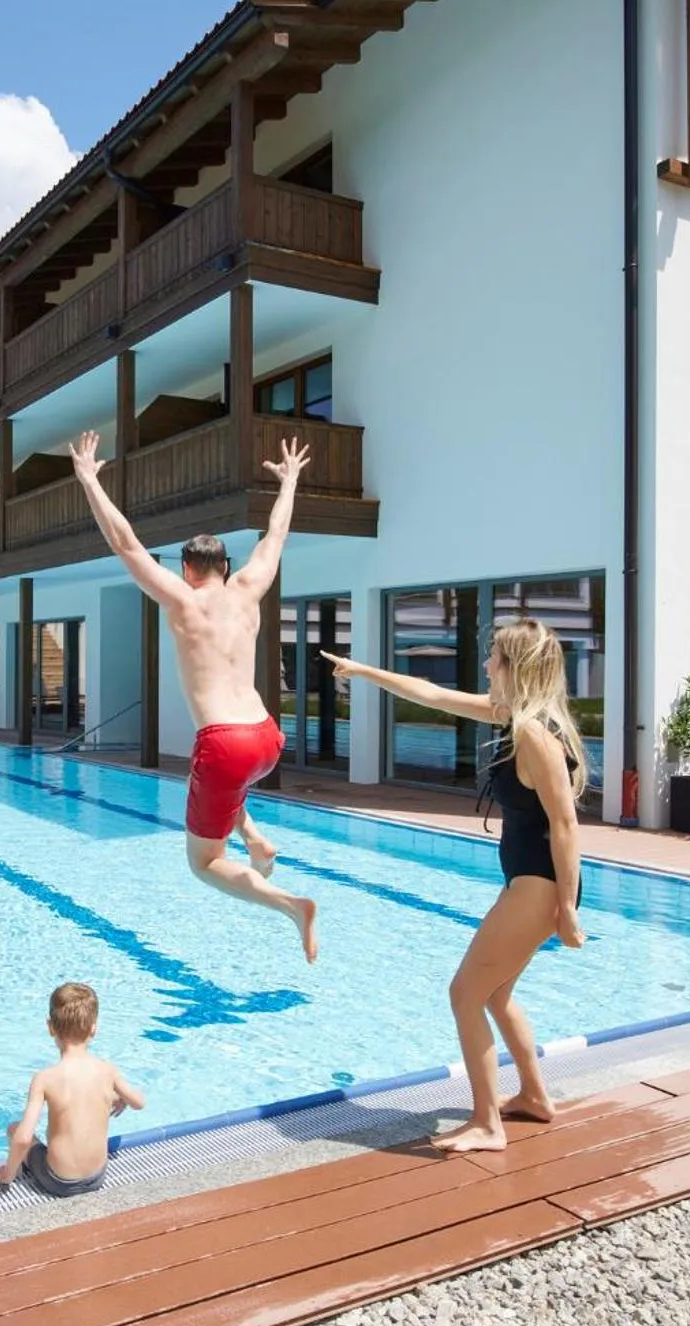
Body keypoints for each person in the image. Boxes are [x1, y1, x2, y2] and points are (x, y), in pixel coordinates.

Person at [322, 618, 590, 1153]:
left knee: (466, 993)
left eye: (493, 656)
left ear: (515, 667)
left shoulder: (534, 733)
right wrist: (363, 670)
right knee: (497, 994)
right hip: (528, 880)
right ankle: (534, 1096)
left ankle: (488, 1123)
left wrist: (566, 907)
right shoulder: (513, 717)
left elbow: (565, 824)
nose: (486, 664)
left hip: (539, 885)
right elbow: (434, 693)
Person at [70, 428, 320, 962]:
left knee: (203, 864)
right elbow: (275, 537)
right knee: (228, 785)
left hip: (225, 743)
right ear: (224, 567)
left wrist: (90, 479)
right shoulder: (249, 589)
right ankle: (255, 839)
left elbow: (124, 541)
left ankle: (290, 905)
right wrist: (291, 480)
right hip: (266, 736)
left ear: (186, 569)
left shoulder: (181, 600)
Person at [0, 983, 144, 1196]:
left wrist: (7, 1176)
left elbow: (22, 1138)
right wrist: (120, 1097)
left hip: (57, 1182)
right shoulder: (107, 1070)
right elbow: (139, 1103)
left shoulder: (44, 1079)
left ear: (50, 1027)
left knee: (14, 1128)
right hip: (97, 1177)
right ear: (94, 1027)